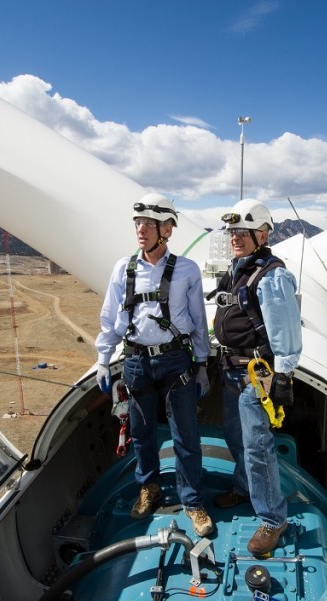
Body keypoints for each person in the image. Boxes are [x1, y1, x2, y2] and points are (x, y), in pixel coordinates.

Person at [95, 193, 213, 537]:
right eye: (138, 223)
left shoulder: (187, 270)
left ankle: (192, 502)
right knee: (142, 434)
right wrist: (103, 359)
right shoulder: (124, 268)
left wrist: (202, 364)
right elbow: (111, 318)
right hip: (136, 363)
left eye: (148, 224)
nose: (140, 230)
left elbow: (197, 318)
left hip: (176, 361)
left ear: (167, 230)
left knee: (186, 436)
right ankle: (150, 488)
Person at [210, 198, 301, 556]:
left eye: (244, 233)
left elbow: (286, 331)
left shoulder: (272, 275)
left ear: (262, 234)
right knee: (236, 434)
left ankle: (272, 518)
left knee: (257, 445)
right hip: (233, 370)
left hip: (258, 374)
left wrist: (283, 376)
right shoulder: (239, 269)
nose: (236, 238)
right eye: (233, 232)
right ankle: (245, 486)